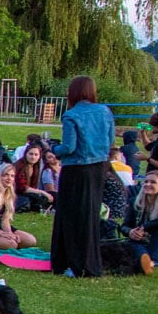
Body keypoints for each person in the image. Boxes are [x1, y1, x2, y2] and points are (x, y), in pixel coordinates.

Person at [50, 76, 115, 278]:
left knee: (71, 215)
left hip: (76, 169)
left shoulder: (72, 115)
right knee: (90, 212)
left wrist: (53, 149)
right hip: (98, 167)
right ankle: (89, 260)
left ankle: (70, 260)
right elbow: (110, 140)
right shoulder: (105, 112)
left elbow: (69, 146)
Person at [121, 171, 158, 274]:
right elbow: (124, 226)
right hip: (140, 243)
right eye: (146, 181)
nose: (147, 184)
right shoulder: (134, 201)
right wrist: (131, 232)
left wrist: (144, 227)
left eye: (153, 182)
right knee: (131, 244)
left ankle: (151, 260)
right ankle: (144, 261)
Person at [13, 145, 54, 212]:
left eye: (36, 155)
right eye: (31, 154)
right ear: (26, 154)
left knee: (53, 195)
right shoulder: (19, 166)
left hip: (29, 192)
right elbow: (21, 187)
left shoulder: (36, 167)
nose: (33, 157)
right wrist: (42, 192)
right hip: (18, 193)